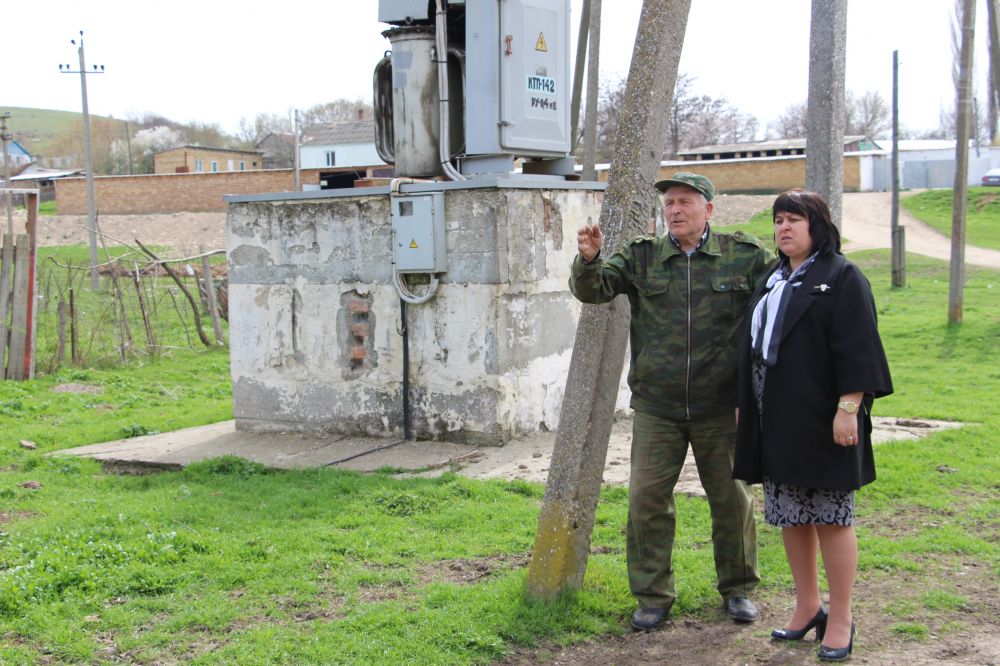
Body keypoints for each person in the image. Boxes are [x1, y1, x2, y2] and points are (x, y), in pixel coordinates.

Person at [570, 172, 773, 631]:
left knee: (731, 499)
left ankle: (738, 588)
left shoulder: (742, 257)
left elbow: (783, 290)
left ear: (709, 209)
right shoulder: (642, 257)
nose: (675, 210)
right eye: (669, 203)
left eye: (685, 202)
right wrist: (589, 260)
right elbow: (594, 289)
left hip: (720, 405)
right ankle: (653, 594)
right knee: (646, 500)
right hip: (657, 407)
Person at [732, 189, 893, 662]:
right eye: (779, 220)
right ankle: (807, 606)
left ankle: (840, 616)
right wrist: (745, 404)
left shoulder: (842, 276)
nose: (784, 228)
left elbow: (859, 347)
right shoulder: (773, 278)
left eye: (794, 219)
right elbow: (752, 348)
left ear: (817, 225)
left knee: (831, 516)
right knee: (788, 514)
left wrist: (849, 407)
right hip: (774, 416)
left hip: (823, 418)